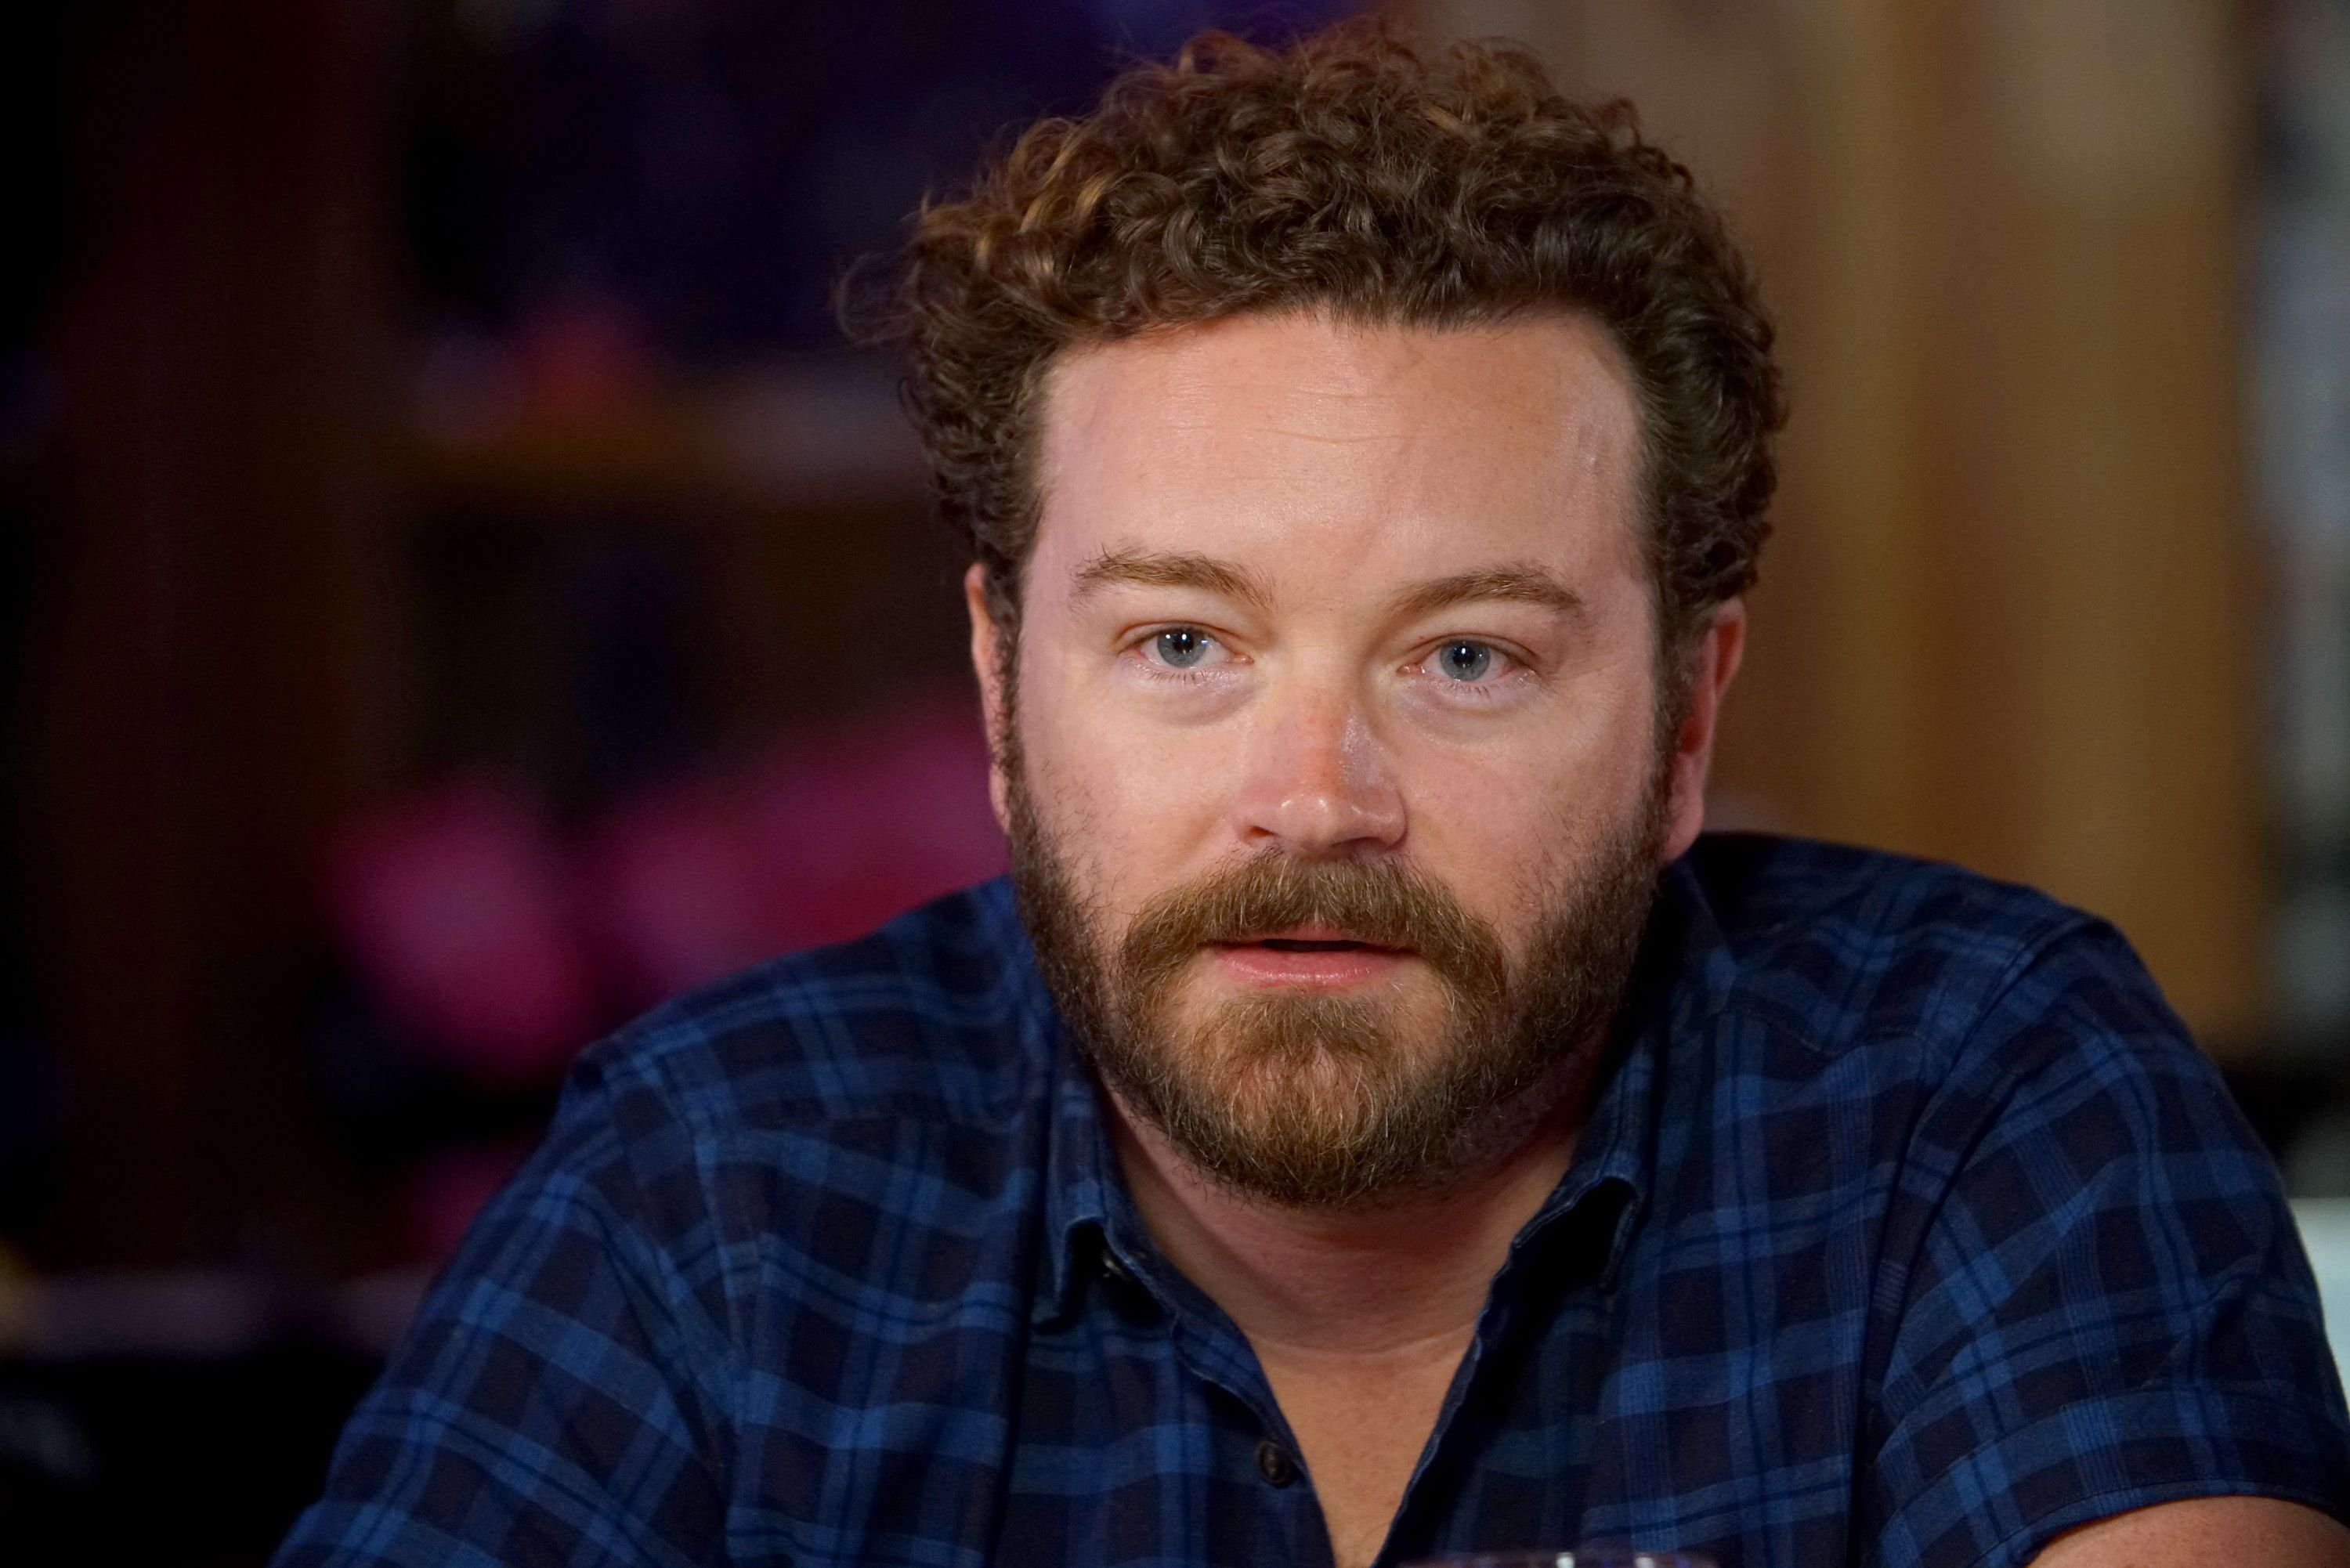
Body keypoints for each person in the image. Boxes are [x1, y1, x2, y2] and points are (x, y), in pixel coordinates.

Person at [276, 23, 2350, 1568]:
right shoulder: (720, 1190)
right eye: (1186, 645)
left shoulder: (1979, 1088)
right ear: (1005, 686)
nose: (1314, 797)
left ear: (1687, 721)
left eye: (1467, 656)